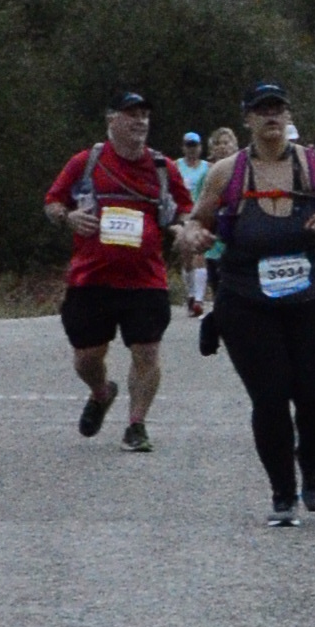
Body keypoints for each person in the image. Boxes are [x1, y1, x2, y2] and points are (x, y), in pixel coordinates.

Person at [190, 84, 315, 524]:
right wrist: (194, 236)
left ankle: (310, 456)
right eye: (262, 110)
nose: (271, 117)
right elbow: (196, 221)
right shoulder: (227, 172)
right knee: (271, 397)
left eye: (278, 109)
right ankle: (283, 492)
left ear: (288, 116)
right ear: (248, 119)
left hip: (312, 299)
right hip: (247, 302)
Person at [46, 85, 192, 446]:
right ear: (112, 120)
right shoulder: (86, 162)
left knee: (147, 352)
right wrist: (68, 218)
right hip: (91, 279)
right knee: (86, 358)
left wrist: (183, 229)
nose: (140, 122)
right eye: (132, 115)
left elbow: (186, 209)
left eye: (144, 115)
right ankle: (101, 391)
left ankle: (136, 424)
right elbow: (52, 202)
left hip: (146, 280)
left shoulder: (163, 167)